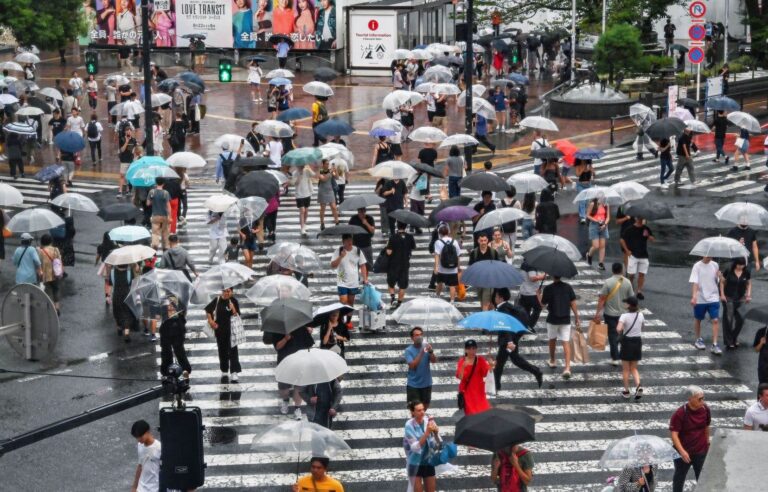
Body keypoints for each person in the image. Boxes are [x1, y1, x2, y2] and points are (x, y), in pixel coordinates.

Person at [494, 288, 543, 389]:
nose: (494, 298)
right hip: (512, 338)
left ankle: (496, 385)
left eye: (495, 296)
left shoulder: (503, 309)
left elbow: (506, 326)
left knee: (500, 362)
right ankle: (536, 371)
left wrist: (510, 341)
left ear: (500, 297)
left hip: (507, 340)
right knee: (514, 359)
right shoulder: (507, 306)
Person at [669, 386, 710, 492]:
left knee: (702, 478)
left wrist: (707, 442)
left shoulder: (705, 409)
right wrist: (682, 452)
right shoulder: (680, 413)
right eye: (699, 399)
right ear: (690, 399)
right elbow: (674, 434)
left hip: (700, 451)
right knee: (679, 477)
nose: (702, 401)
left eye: (703, 398)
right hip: (683, 453)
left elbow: (706, 426)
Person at [541, 276, 579, 379]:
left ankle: (553, 360)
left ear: (553, 276)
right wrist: (576, 317)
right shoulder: (568, 287)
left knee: (552, 340)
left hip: (552, 319)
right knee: (565, 342)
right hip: (565, 319)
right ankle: (567, 368)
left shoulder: (548, 288)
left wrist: (538, 295)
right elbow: (573, 303)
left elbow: (542, 304)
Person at [205, 288, 242, 381]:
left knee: (233, 351)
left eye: (228, 291)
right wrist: (211, 321)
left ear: (232, 292)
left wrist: (233, 308)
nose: (226, 293)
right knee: (222, 350)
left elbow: (237, 315)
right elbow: (208, 310)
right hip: (220, 331)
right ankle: (224, 370)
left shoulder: (234, 301)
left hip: (232, 331)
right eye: (224, 291)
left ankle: (234, 372)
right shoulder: (217, 300)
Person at [404, 400, 439, 492]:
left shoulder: (429, 421)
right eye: (419, 410)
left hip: (428, 462)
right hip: (415, 463)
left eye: (423, 409)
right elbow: (415, 447)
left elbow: (437, 444)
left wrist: (436, 433)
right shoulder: (409, 425)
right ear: (412, 412)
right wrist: (427, 433)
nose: (422, 412)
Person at [689, 256, 722, 354]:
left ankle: (715, 344)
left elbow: (721, 281)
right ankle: (698, 339)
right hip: (700, 298)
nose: (709, 256)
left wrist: (720, 276)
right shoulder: (697, 266)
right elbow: (695, 282)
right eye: (707, 254)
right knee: (698, 319)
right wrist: (694, 296)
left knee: (715, 320)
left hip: (713, 297)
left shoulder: (715, 265)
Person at [330, 234, 368, 319]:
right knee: (343, 301)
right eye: (347, 240)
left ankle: (348, 321)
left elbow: (362, 265)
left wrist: (365, 279)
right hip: (341, 281)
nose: (349, 242)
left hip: (353, 282)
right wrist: (341, 256)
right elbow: (333, 265)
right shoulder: (339, 251)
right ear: (343, 242)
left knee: (350, 303)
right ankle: (341, 321)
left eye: (350, 240)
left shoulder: (357, 251)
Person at [720, 257, 751, 349]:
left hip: (740, 298)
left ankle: (733, 337)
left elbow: (749, 283)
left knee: (741, 319)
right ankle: (729, 341)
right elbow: (722, 283)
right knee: (728, 320)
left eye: (743, 265)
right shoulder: (728, 271)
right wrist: (722, 294)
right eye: (739, 265)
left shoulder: (746, 272)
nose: (741, 267)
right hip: (728, 297)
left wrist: (748, 294)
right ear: (735, 264)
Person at [617, 296, 644, 399]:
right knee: (634, 368)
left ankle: (626, 391)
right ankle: (638, 386)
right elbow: (642, 327)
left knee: (626, 369)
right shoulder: (640, 315)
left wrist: (623, 327)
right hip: (637, 341)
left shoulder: (624, 316)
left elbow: (618, 329)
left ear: (628, 305)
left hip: (627, 342)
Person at [620, 217, 654, 300]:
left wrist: (648, 235)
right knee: (631, 275)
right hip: (633, 255)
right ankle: (630, 291)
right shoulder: (630, 229)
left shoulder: (646, 228)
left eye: (641, 218)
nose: (640, 220)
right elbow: (622, 240)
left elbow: (653, 239)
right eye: (639, 218)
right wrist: (627, 250)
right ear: (636, 219)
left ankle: (639, 291)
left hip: (644, 255)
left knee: (642, 274)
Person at [456, 339, 492, 415]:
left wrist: (491, 365)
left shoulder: (480, 360)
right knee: (471, 414)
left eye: (473, 348)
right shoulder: (462, 361)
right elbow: (460, 377)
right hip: (467, 392)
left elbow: (486, 374)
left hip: (479, 391)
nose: (471, 351)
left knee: (484, 412)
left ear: (476, 349)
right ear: (465, 350)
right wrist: (463, 367)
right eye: (469, 349)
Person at [385, 221, 416, 308]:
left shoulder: (393, 237)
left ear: (397, 226)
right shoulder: (410, 237)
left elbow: (389, 252)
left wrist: (387, 245)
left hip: (393, 265)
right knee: (402, 285)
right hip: (405, 264)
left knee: (391, 283)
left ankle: (392, 297)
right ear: (406, 226)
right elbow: (413, 247)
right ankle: (399, 303)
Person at [404, 327, 436, 410]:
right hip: (413, 385)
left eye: (421, 335)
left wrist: (431, 351)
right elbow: (412, 366)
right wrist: (422, 351)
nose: (419, 337)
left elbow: (434, 361)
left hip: (426, 383)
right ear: (412, 338)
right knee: (415, 410)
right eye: (417, 335)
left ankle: (422, 422)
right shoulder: (408, 351)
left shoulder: (426, 347)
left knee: (424, 409)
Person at [159, 299, 191, 377]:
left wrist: (175, 309)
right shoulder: (161, 297)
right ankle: (166, 370)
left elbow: (183, 311)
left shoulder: (180, 296)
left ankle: (185, 369)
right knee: (166, 350)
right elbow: (157, 313)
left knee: (179, 350)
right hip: (165, 328)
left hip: (178, 328)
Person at [469, 233, 499, 311]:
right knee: (482, 301)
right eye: (481, 240)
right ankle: (487, 315)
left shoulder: (493, 252)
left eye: (485, 240)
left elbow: (497, 266)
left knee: (485, 303)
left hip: (489, 281)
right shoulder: (474, 253)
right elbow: (471, 266)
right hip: (478, 281)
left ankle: (484, 321)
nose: (483, 242)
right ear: (478, 241)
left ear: (487, 241)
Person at [129, 420, 161, 492]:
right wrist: (134, 487)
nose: (138, 440)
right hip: (141, 487)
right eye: (136, 437)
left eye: (140, 436)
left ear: (147, 432)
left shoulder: (159, 448)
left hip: (155, 488)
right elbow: (140, 466)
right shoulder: (140, 445)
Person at [433, 224, 461, 304]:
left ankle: (437, 297)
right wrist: (458, 267)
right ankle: (452, 301)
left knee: (439, 283)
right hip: (453, 269)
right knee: (452, 286)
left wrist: (436, 267)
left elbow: (437, 255)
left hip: (442, 268)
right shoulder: (454, 241)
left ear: (440, 233)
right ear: (448, 232)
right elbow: (458, 255)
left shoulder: (438, 242)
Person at [37, 234, 63, 314]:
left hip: (45, 275)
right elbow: (59, 260)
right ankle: (57, 307)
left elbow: (39, 262)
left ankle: (49, 308)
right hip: (55, 274)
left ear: (42, 242)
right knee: (56, 290)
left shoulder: (41, 251)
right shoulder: (56, 249)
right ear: (51, 241)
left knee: (47, 291)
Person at [112, 263, 138, 342]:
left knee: (117, 312)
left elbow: (110, 284)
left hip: (116, 296)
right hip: (126, 295)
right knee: (127, 314)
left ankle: (119, 328)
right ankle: (126, 333)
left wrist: (108, 296)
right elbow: (132, 284)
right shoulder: (129, 273)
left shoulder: (113, 273)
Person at [585, 197, 609, 270]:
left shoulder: (606, 204)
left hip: (603, 225)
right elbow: (588, 215)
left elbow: (608, 217)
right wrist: (596, 220)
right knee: (596, 246)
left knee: (602, 246)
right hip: (594, 225)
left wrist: (605, 224)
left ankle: (601, 263)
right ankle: (589, 255)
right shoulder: (593, 204)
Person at [147, 178, 171, 251]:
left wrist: (152, 201)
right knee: (165, 232)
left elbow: (148, 203)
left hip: (155, 215)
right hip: (164, 215)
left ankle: (155, 245)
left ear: (156, 183)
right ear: (163, 184)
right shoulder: (165, 193)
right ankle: (166, 247)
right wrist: (170, 216)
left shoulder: (152, 192)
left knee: (155, 233)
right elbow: (168, 206)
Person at [317, 159, 339, 230]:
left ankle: (337, 222)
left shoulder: (330, 170)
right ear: (323, 164)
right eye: (326, 164)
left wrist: (336, 171)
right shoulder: (320, 171)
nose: (327, 165)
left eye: (328, 164)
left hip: (330, 190)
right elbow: (323, 179)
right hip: (322, 191)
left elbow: (337, 177)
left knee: (334, 207)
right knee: (323, 208)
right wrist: (330, 172)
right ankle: (322, 223)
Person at [293, 164, 315, 236]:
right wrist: (299, 176)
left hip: (307, 193)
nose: (301, 167)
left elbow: (313, 175)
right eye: (300, 165)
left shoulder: (307, 171)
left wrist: (309, 169)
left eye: (302, 165)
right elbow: (294, 183)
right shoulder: (295, 173)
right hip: (299, 194)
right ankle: (302, 227)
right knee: (302, 210)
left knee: (306, 211)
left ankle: (304, 224)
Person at [118, 126, 137, 196]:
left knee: (129, 176)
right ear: (125, 132)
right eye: (127, 130)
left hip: (131, 160)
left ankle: (128, 190)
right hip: (124, 160)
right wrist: (126, 142)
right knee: (122, 175)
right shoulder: (122, 139)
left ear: (131, 132)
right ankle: (120, 191)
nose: (128, 132)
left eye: (130, 130)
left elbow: (134, 151)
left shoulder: (134, 140)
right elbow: (122, 150)